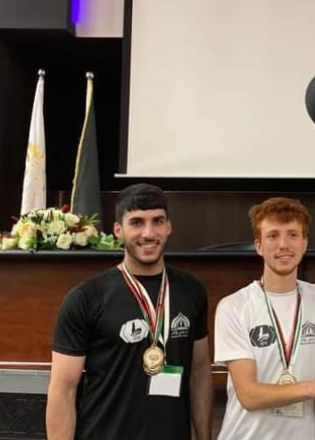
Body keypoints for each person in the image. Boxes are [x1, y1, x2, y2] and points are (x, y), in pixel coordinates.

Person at [46, 183, 212, 440]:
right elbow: (63, 391)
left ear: (169, 227)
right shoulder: (86, 298)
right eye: (136, 222)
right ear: (118, 230)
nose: (149, 233)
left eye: (158, 221)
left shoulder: (192, 291)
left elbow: (199, 376)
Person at [214, 197, 315, 440]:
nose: (284, 244)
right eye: (273, 236)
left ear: (304, 243)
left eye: (293, 235)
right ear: (258, 246)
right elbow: (249, 396)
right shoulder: (233, 306)